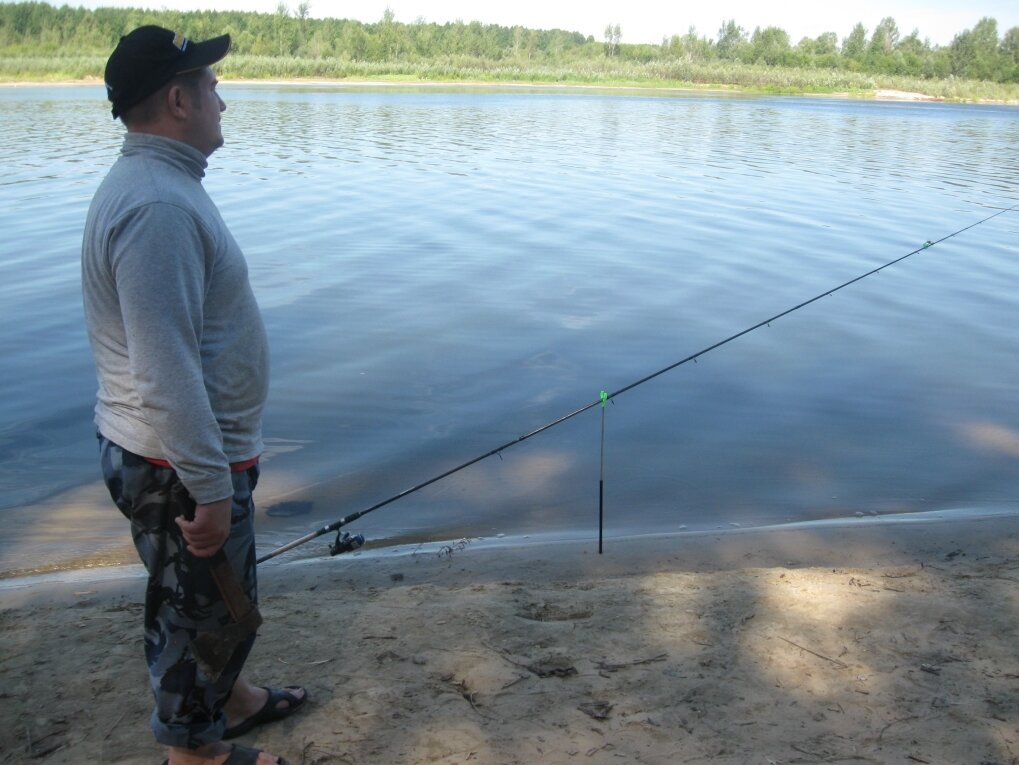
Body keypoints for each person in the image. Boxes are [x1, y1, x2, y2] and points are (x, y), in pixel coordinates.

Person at [81, 26, 306, 765]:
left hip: (172, 452)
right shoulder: (159, 209)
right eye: (210, 86)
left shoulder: (160, 188)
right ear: (177, 100)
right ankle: (197, 755)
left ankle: (232, 702)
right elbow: (165, 367)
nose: (222, 98)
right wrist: (209, 486)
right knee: (199, 614)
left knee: (216, 601)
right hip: (176, 462)